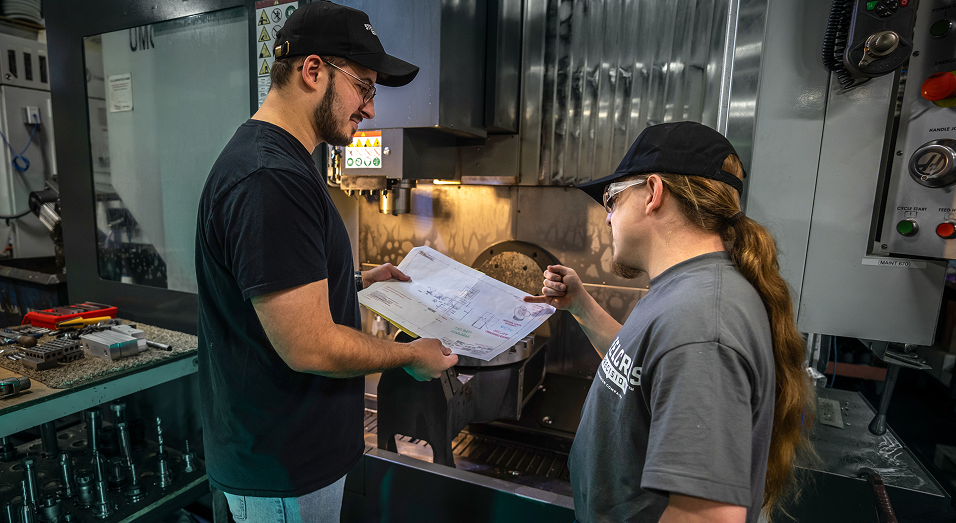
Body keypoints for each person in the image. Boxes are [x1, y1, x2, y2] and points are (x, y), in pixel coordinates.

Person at [195, 2, 458, 521]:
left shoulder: (282, 162)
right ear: (313, 71)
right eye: (364, 87)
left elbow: (273, 286)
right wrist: (408, 355)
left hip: (290, 458)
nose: (371, 109)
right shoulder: (270, 177)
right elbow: (308, 344)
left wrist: (355, 280)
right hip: (281, 471)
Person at [525, 121, 815, 523]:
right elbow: (640, 370)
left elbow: (708, 518)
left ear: (653, 193)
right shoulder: (686, 290)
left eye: (612, 199)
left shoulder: (703, 323)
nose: (608, 218)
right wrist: (580, 306)